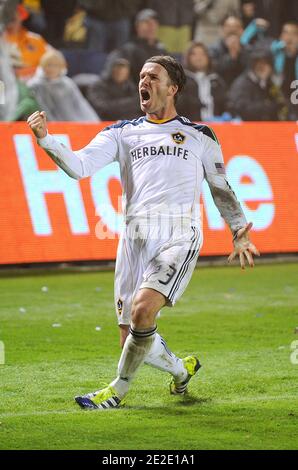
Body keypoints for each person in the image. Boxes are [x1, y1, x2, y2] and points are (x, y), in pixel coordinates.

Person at [27, 55, 259, 410]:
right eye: (141, 76)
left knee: (142, 311)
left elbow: (221, 187)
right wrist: (46, 140)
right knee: (131, 338)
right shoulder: (122, 132)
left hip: (178, 235)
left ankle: (115, 393)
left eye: (153, 76)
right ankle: (181, 372)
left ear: (173, 88)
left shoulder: (200, 136)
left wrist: (239, 230)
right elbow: (80, 166)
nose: (143, 81)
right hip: (134, 239)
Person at [28, 49, 99, 121]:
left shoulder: (68, 83)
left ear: (61, 67)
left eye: (56, 65)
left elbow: (80, 105)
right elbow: (41, 108)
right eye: (48, 65)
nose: (52, 68)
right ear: (42, 66)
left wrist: (93, 121)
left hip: (71, 123)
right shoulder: (35, 85)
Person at [107, 8, 167, 84]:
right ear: (137, 27)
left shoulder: (162, 50)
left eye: (154, 23)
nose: (151, 26)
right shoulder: (127, 51)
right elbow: (114, 78)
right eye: (146, 22)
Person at [227, 48, 289, 120]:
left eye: (265, 63)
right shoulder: (242, 84)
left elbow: (283, 104)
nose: (261, 67)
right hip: (247, 128)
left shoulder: (270, 84)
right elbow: (241, 108)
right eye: (258, 63)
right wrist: (269, 107)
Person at [178, 41, 226, 121]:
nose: (199, 58)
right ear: (188, 57)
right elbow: (177, 104)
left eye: (202, 54)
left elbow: (225, 102)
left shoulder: (216, 80)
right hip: (189, 127)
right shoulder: (181, 79)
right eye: (194, 54)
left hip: (216, 127)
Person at [4, 4, 49, 80]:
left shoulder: (36, 39)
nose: (10, 15)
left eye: (14, 12)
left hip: (34, 84)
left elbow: (56, 62)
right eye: (6, 13)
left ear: (21, 15)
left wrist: (25, 72)